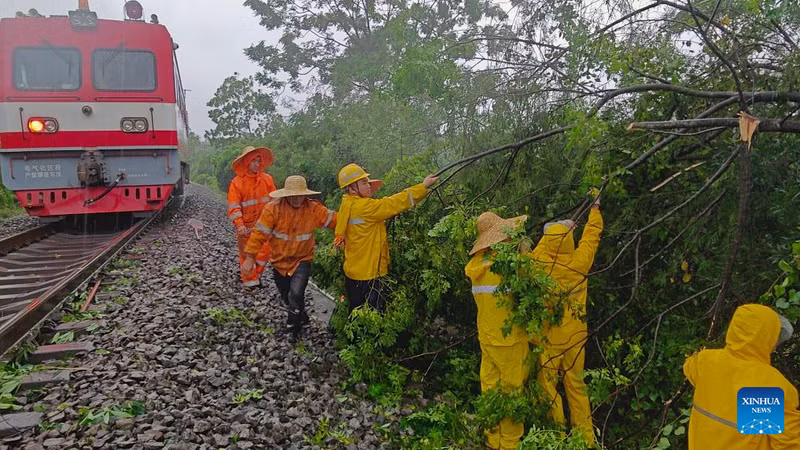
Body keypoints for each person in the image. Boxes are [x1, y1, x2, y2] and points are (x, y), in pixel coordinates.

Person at [531, 194, 603, 446]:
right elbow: (591, 237)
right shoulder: (579, 262)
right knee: (576, 386)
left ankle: (556, 436)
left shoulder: (538, 265)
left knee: (549, 388)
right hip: (575, 337)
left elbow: (543, 247)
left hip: (548, 338)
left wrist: (554, 233)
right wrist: (594, 209)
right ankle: (585, 439)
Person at [683, 304, 800, 449]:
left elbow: (689, 366)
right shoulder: (767, 384)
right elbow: (789, 443)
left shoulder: (705, 362)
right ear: (766, 338)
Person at [242, 175, 337, 343]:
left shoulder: (312, 208)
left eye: (300, 195)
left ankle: (293, 328)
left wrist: (357, 221)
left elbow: (335, 220)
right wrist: (250, 258)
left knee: (296, 293)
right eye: (293, 195)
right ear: (286, 195)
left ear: (305, 195)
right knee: (287, 296)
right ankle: (302, 316)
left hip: (302, 259)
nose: (296, 199)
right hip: (279, 261)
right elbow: (259, 234)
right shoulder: (273, 209)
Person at [334, 163, 438, 312]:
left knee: (356, 313)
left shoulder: (347, 204)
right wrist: (423, 186)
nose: (369, 186)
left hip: (352, 273)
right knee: (375, 316)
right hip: (369, 275)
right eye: (364, 183)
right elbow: (394, 203)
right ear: (352, 188)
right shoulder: (365, 207)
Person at [465, 212, 530, 450]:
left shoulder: (477, 266)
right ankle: (510, 444)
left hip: (487, 337)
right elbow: (534, 279)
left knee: (490, 388)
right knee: (512, 391)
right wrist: (524, 252)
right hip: (510, 339)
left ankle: (492, 440)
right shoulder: (507, 267)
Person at [227, 146, 277, 288]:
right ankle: (249, 283)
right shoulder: (237, 183)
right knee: (246, 254)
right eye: (253, 161)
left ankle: (256, 276)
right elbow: (234, 206)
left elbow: (275, 202)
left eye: (258, 161)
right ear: (246, 162)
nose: (257, 164)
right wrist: (239, 224)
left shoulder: (267, 179)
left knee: (264, 253)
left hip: (264, 227)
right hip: (246, 228)